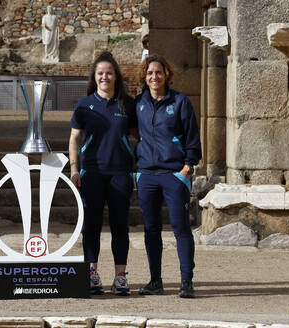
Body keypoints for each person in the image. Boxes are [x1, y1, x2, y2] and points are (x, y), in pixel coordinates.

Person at [68, 51, 136, 296]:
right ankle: (91, 274)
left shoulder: (127, 104)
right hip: (92, 173)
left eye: (109, 73)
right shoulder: (84, 105)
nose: (104, 77)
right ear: (94, 77)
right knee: (91, 226)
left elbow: (140, 137)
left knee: (120, 227)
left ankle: (120, 277)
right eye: (100, 73)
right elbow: (74, 138)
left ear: (116, 76)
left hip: (120, 174)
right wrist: (74, 169)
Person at [134, 54, 201, 298]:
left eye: (158, 73)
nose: (154, 77)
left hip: (174, 174)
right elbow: (129, 132)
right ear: (145, 76)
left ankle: (186, 281)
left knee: (181, 228)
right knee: (151, 229)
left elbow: (192, 137)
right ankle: (155, 281)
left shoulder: (180, 102)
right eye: (150, 73)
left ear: (166, 75)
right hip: (147, 175)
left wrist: (187, 168)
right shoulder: (138, 103)